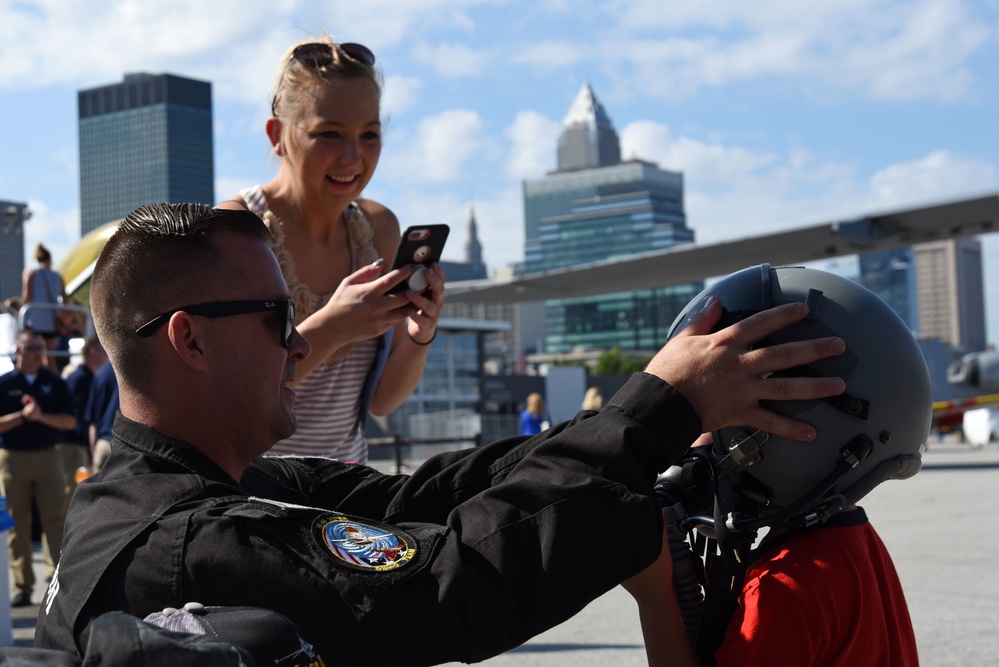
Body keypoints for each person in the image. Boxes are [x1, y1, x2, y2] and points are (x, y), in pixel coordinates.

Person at [35, 203, 846, 664]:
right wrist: (654, 414)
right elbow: (451, 586)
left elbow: (418, 497)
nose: (298, 341)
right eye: (278, 316)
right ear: (191, 340)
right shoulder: (187, 542)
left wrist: (654, 413)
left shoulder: (171, 489)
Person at [622, 265, 928, 667]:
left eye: (710, 421)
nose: (694, 444)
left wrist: (656, 596)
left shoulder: (787, 587)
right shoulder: (853, 544)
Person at [218, 36, 443, 464]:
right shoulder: (237, 229)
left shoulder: (378, 228)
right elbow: (236, 398)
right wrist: (334, 327)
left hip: (345, 496)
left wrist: (420, 336)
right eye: (330, 134)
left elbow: (382, 402)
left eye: (370, 134)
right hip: (253, 498)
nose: (352, 157)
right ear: (277, 135)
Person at [0, 329, 76, 607]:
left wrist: (41, 417)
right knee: (16, 524)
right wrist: (23, 416)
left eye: (41, 348)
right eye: (32, 348)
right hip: (13, 458)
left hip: (48, 456)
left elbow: (70, 421)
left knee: (55, 520)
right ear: (18, 350)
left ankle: (57, 580)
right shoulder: (5, 382)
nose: (37, 354)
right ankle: (22, 586)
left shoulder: (54, 383)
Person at [58, 336, 107, 496]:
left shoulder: (87, 378)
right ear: (93, 352)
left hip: (75, 447)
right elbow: (72, 416)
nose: (107, 356)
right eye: (103, 350)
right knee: (70, 496)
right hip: (70, 447)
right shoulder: (81, 379)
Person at [20, 243, 69, 371]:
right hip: (51, 323)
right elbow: (65, 300)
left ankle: (35, 379)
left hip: (34, 322)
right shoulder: (57, 276)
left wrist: (19, 313)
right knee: (50, 356)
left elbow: (27, 297)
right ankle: (51, 383)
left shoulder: (31, 273)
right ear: (50, 259)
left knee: (31, 355)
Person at [83, 359, 118, 473]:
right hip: (128, 447)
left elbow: (93, 423)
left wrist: (94, 453)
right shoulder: (135, 369)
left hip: (103, 445)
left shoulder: (102, 372)